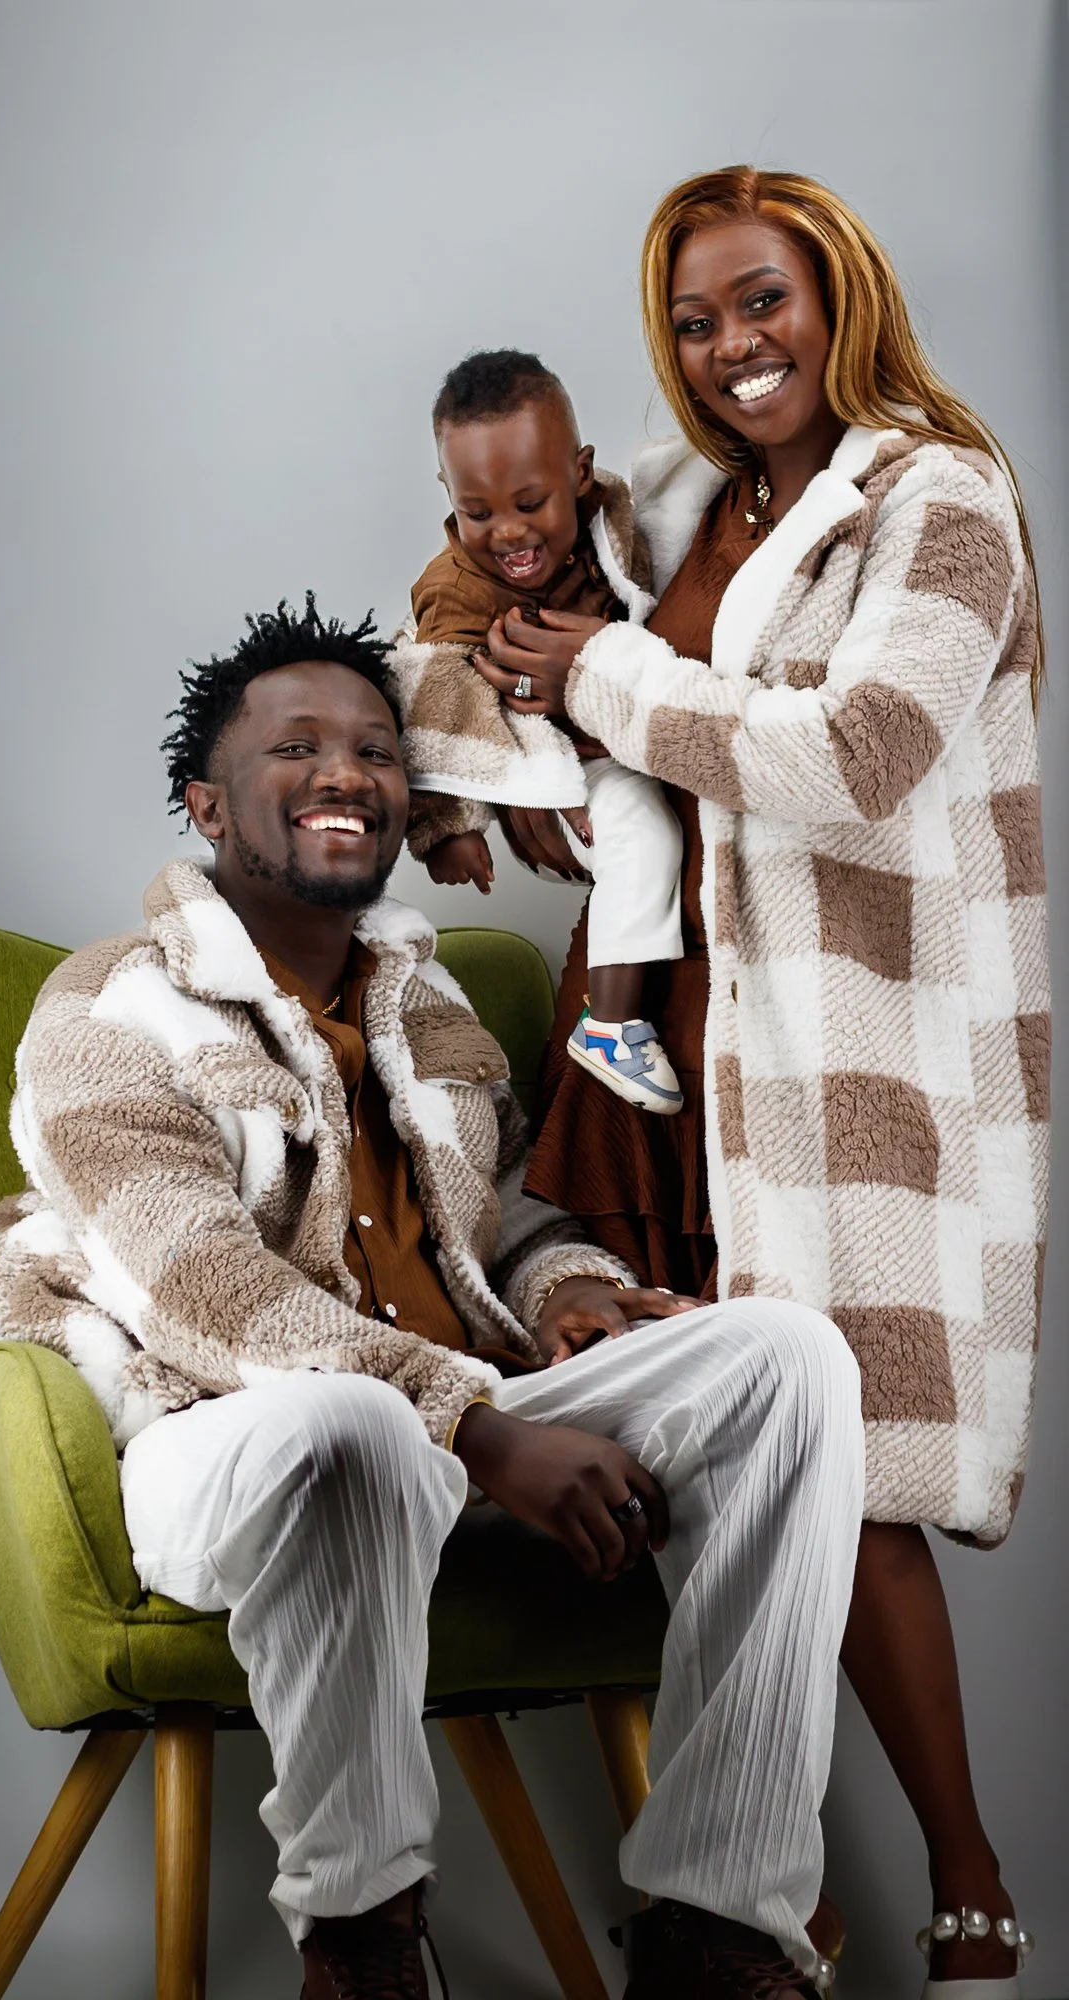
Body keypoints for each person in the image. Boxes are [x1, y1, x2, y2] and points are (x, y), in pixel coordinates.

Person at [0, 594, 866, 1999]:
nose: (347, 774)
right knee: (355, 1423)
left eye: (378, 752)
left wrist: (570, 1292)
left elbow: (504, 1218)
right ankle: (365, 1935)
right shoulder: (107, 1010)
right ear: (206, 804)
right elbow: (198, 1284)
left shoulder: (427, 1001)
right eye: (296, 750)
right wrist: (479, 1427)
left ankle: (719, 1919)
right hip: (225, 1436)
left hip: (458, 1418)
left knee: (784, 1356)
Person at [472, 167, 1049, 1997]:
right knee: (705, 1444)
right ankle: (757, 1886)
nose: (733, 349)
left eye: (762, 302)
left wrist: (613, 689)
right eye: (699, 320)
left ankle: (967, 1884)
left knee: (852, 1471)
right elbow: (573, 662)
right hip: (667, 1026)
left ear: (839, 293)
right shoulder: (684, 501)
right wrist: (520, 779)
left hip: (840, 1043)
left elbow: (864, 753)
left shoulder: (940, 500)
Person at [388, 347, 684, 1113]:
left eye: (531, 503)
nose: (508, 533)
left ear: (580, 475)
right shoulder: (453, 591)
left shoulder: (610, 527)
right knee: (642, 834)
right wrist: (448, 827)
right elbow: (433, 708)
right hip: (543, 767)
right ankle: (612, 1025)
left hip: (632, 727)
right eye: (478, 512)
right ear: (449, 493)